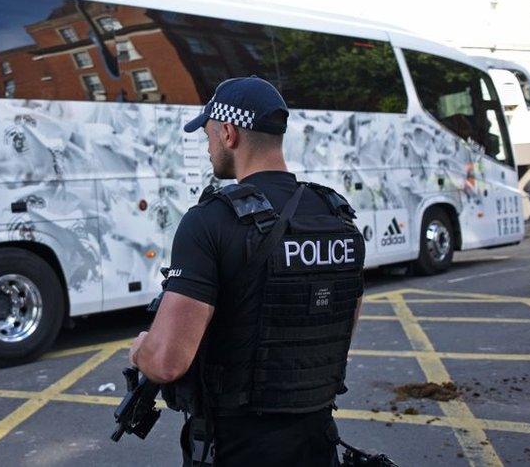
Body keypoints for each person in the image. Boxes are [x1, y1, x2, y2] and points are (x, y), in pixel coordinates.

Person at [129, 77, 365, 466]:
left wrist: (141, 351)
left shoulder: (210, 222)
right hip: (318, 444)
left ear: (228, 132)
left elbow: (168, 361)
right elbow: (341, 328)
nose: (207, 147)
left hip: (238, 447)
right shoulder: (336, 216)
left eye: (207, 135)